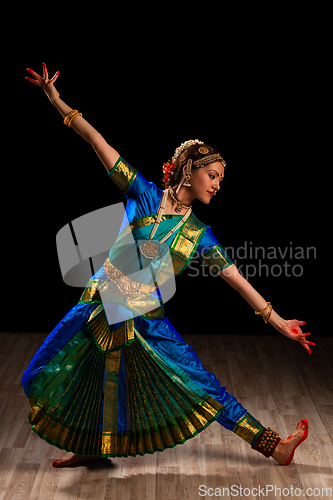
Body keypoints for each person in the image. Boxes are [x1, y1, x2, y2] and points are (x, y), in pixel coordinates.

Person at [22, 63, 314, 468]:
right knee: (47, 372)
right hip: (99, 304)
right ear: (188, 171)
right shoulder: (141, 193)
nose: (216, 185)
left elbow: (236, 279)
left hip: (147, 320)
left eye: (220, 180)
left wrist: (279, 321)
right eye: (211, 175)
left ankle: (273, 446)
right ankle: (94, 450)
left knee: (200, 383)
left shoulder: (199, 234)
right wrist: (56, 101)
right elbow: (95, 139)